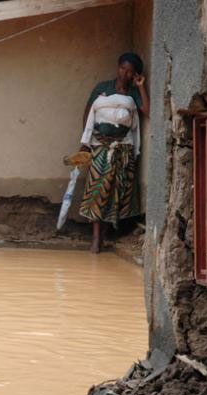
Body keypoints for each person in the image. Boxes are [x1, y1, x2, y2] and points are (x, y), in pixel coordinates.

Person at [79, 52, 150, 253]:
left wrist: (141, 86)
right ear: (118, 67)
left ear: (135, 74)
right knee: (97, 191)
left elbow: (146, 110)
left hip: (123, 150)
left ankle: (105, 235)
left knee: (114, 193)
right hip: (100, 147)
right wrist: (85, 143)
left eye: (130, 72)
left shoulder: (133, 92)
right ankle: (95, 239)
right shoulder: (103, 88)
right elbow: (88, 112)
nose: (124, 74)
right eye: (122, 68)